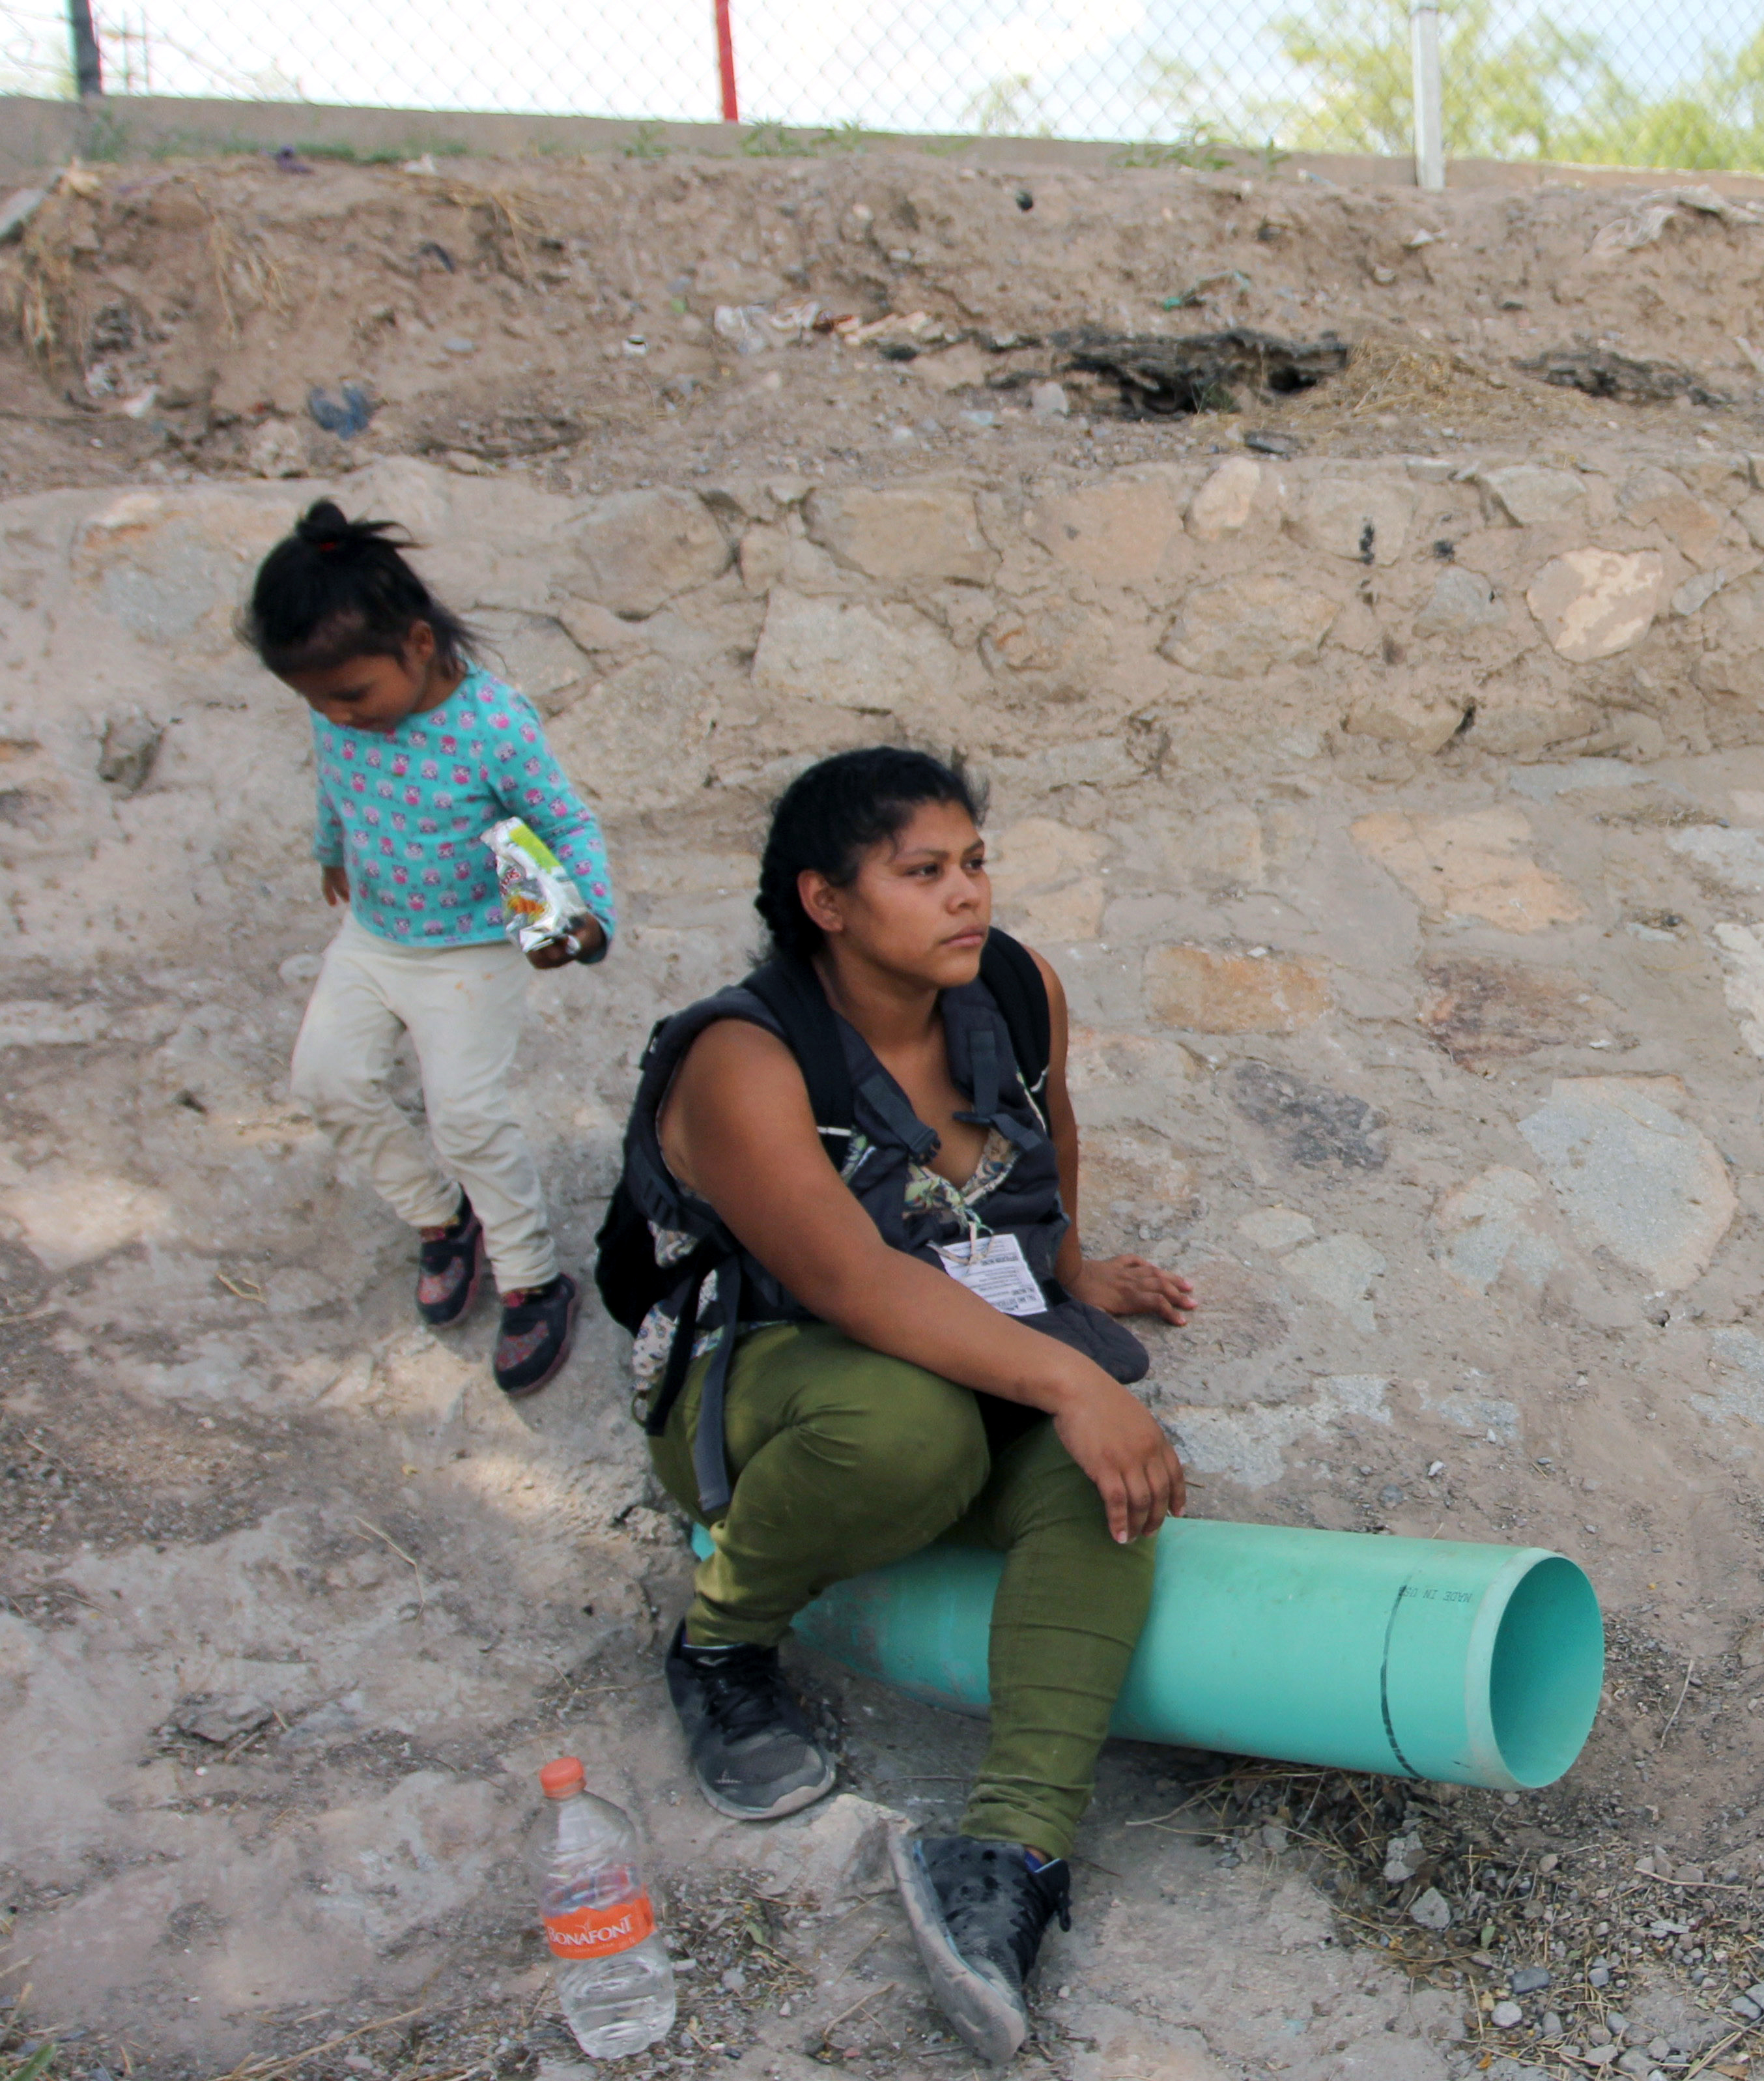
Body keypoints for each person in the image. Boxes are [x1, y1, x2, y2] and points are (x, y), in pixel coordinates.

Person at [618, 748, 1196, 2065]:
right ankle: (720, 1640)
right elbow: (847, 1280)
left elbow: (1043, 1129)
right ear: (825, 901)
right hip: (759, 1371)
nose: (966, 896)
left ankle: (1006, 1858)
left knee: (1106, 1484)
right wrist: (1067, 1371)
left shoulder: (1007, 984)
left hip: (954, 1337)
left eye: (974, 861)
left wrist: (1067, 1273)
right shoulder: (743, 1058)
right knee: (919, 1434)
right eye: (922, 872)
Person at [245, 500, 610, 1395]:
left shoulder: (493, 724)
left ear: (416, 643)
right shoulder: (338, 710)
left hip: (473, 950)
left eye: (350, 695)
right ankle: (441, 1218)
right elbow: (335, 775)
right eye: (315, 701)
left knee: (467, 1115)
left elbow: (562, 817)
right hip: (374, 933)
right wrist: (331, 848)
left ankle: (532, 1279)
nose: (335, 715)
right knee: (325, 1079)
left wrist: (589, 913)